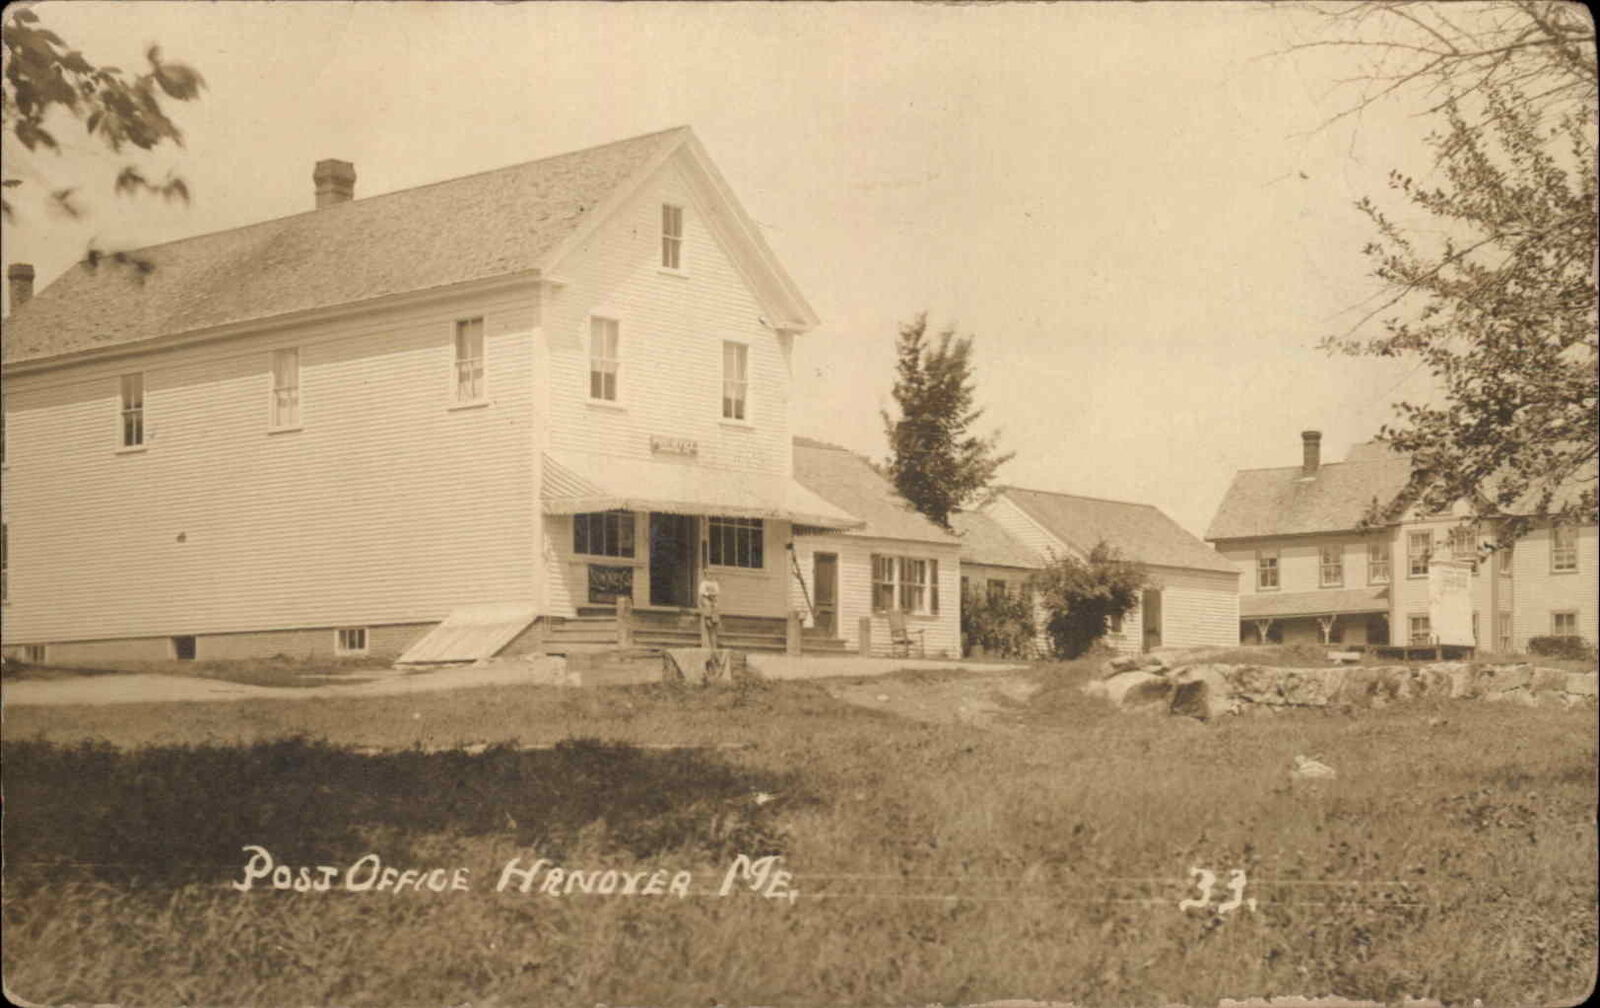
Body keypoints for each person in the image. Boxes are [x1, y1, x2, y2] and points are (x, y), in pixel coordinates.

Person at [697, 575, 721, 650]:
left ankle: (714, 645)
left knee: (714, 628)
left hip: (713, 611)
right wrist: (708, 595)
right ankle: (706, 645)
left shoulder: (715, 583)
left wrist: (713, 597)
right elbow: (702, 593)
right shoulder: (703, 583)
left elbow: (717, 592)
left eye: (711, 574)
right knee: (707, 627)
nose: (710, 576)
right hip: (706, 604)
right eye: (708, 574)